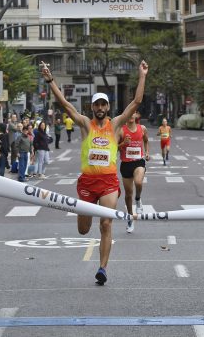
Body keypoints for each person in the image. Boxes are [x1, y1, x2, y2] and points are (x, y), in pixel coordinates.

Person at [40, 59, 148, 285]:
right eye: (96, 105)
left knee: (106, 224)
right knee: (83, 230)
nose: (100, 108)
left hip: (108, 182)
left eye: (103, 105)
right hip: (87, 183)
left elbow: (136, 102)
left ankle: (102, 268)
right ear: (92, 108)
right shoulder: (85, 124)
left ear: (108, 108)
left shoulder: (116, 124)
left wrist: (142, 76)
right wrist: (50, 81)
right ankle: (90, 236)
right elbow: (66, 105)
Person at [118, 112, 149, 233]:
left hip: (138, 162)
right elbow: (113, 147)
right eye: (129, 113)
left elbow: (146, 141)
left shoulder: (142, 128)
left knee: (139, 183)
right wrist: (123, 144)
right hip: (126, 164)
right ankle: (130, 218)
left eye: (133, 113)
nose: (131, 115)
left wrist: (146, 152)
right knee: (128, 194)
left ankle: (138, 198)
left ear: (136, 115)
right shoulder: (121, 130)